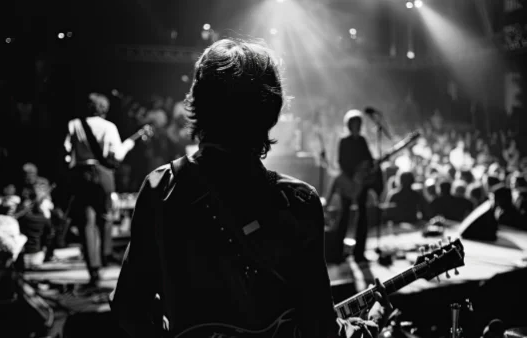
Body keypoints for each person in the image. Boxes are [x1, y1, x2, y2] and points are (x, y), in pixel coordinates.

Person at [111, 38, 392, 338]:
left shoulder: (161, 188)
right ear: (271, 111)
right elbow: (319, 329)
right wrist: (367, 327)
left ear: (197, 102)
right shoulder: (297, 203)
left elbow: (128, 308)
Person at [64, 92, 135, 285]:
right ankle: (105, 255)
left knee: (86, 221)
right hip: (103, 173)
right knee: (106, 216)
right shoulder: (109, 127)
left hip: (81, 173)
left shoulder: (74, 124)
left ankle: (93, 269)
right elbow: (118, 155)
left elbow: (67, 153)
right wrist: (129, 144)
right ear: (104, 108)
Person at [335, 109, 378, 262]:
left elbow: (369, 159)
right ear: (349, 125)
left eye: (359, 123)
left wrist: (369, 167)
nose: (357, 126)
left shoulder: (362, 141)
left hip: (361, 183)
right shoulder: (344, 141)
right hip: (347, 182)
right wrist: (352, 176)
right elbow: (340, 161)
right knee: (344, 216)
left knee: (362, 215)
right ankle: (338, 252)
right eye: (354, 123)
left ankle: (359, 253)